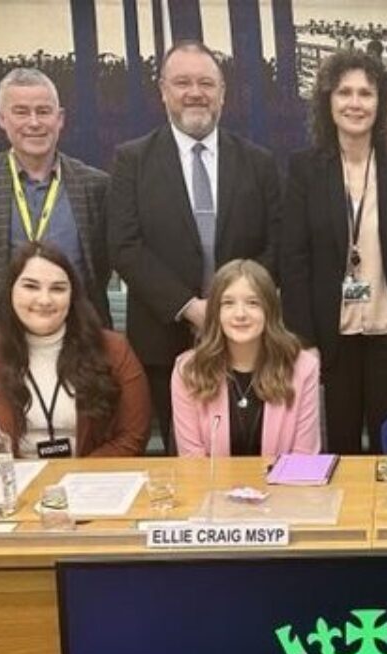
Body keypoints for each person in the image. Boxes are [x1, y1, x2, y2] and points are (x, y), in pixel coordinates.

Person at [109, 40, 282, 454]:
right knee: (182, 453)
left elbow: (278, 242)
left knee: (251, 446)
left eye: (206, 82)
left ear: (222, 93)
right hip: (164, 335)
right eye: (182, 82)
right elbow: (124, 246)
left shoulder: (258, 162)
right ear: (163, 90)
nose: (195, 92)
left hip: (247, 337)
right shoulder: (132, 160)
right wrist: (190, 307)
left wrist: (232, 304)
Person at [281, 50, 387, 455]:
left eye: (366, 93)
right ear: (327, 102)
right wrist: (303, 339)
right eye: (344, 92)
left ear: (380, 104)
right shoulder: (304, 169)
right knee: (338, 448)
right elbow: (292, 261)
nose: (355, 102)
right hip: (329, 340)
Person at [0, 242, 151, 458]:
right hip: (8, 485)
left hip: (88, 483)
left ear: (72, 296)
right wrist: (0, 479)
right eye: (31, 286)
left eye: (58, 288)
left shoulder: (114, 349)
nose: (44, 299)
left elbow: (132, 437)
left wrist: (77, 478)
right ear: (11, 291)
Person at [0, 67, 111, 327]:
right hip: (4, 329)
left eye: (43, 111)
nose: (34, 122)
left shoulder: (95, 184)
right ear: (1, 118)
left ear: (59, 118)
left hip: (80, 328)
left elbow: (100, 268)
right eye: (21, 112)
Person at [171, 260, 321, 457]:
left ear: (270, 311)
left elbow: (303, 458)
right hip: (210, 486)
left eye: (253, 303)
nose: (240, 314)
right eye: (228, 303)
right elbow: (192, 461)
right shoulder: (188, 370)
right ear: (216, 313)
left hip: (284, 486)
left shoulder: (302, 368)